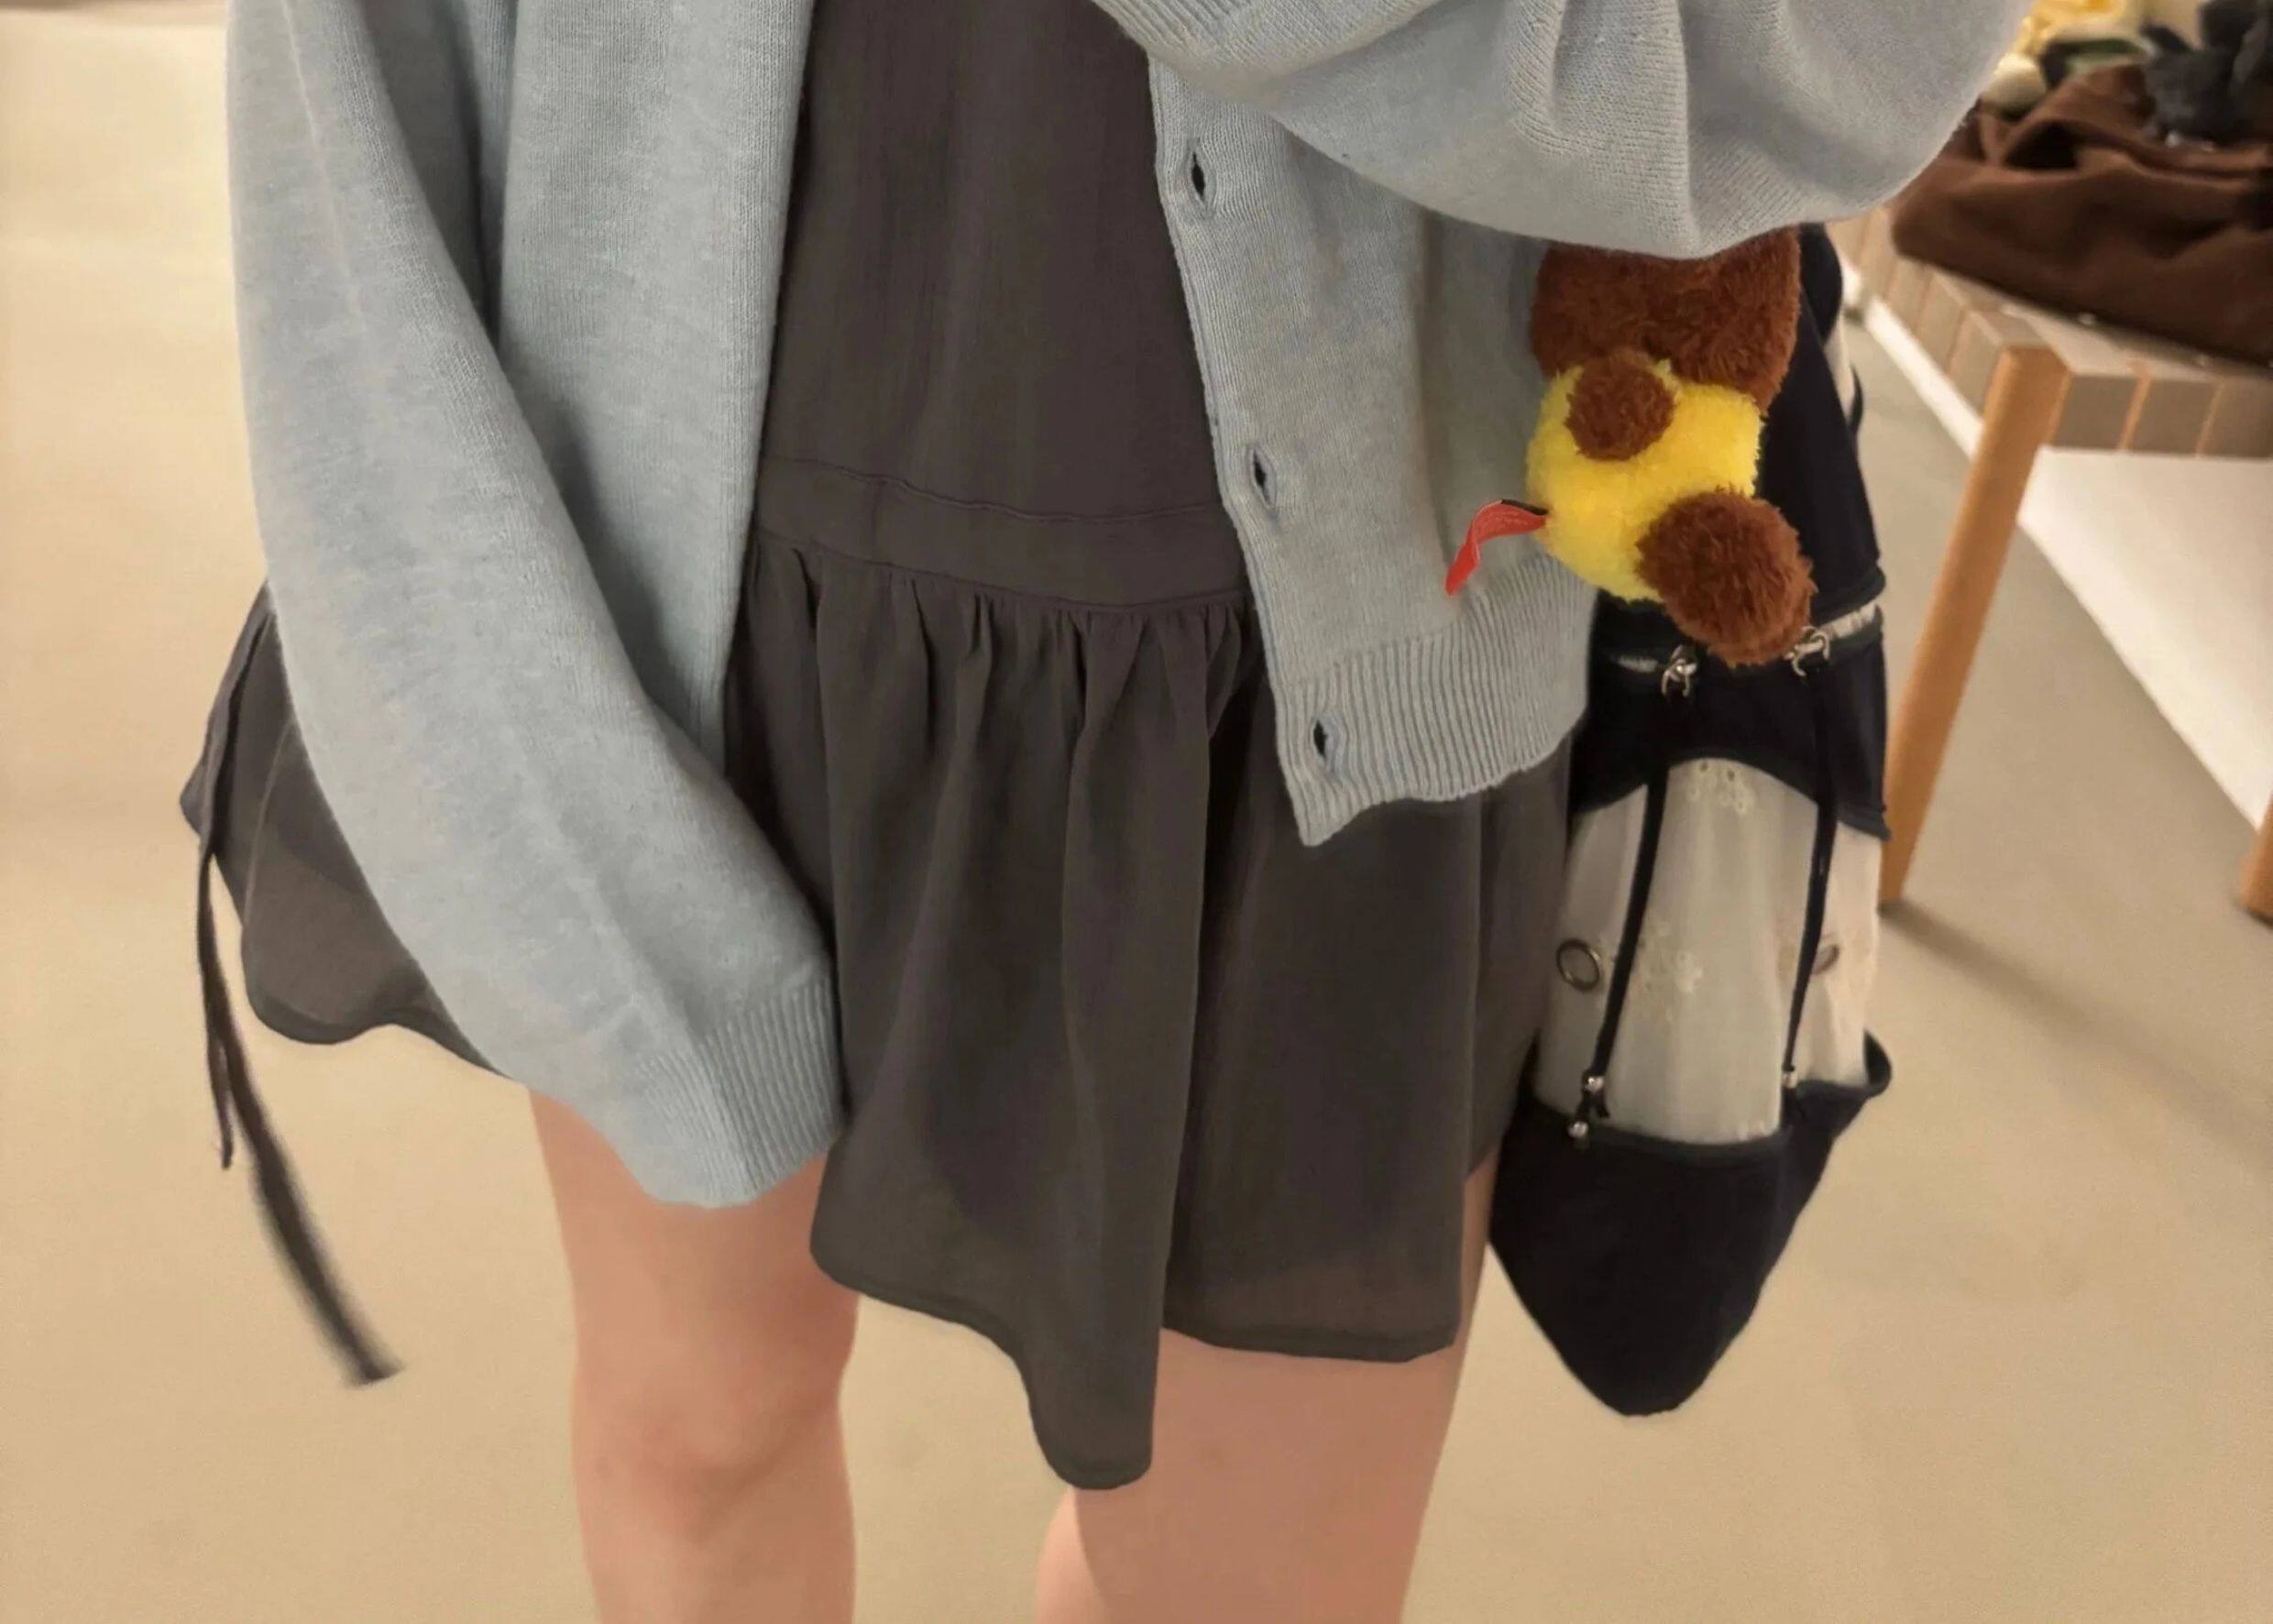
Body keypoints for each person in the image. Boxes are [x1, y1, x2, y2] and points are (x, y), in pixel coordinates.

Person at [203, 1, 2021, 1618]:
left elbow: (1863, 47)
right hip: (694, 591)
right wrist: (436, 606)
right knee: (699, 1443)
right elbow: (354, 73)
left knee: (1251, 1585)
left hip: (1358, 653)